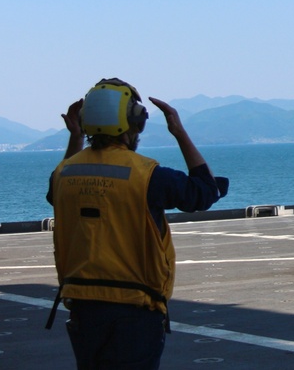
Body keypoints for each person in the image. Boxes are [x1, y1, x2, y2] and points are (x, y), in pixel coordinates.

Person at [45, 78, 228, 369]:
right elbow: (204, 192)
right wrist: (179, 132)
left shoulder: (64, 174)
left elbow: (56, 192)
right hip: (134, 309)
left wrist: (75, 137)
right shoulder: (148, 175)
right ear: (136, 122)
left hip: (82, 306)